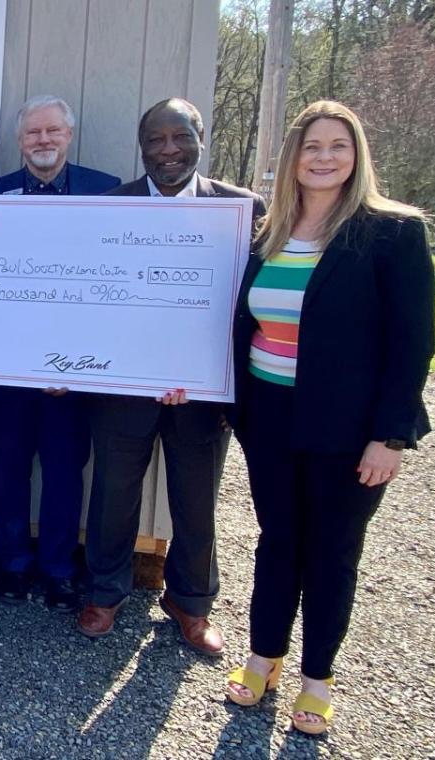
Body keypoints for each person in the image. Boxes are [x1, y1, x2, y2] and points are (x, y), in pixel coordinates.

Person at [225, 101, 435, 735]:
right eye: (311, 145)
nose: (323, 157)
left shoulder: (390, 233)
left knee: (333, 550)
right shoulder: (268, 231)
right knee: (278, 540)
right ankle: (265, 657)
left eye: (337, 145)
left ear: (356, 154)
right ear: (293, 157)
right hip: (269, 415)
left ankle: (317, 679)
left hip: (347, 429)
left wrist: (390, 435)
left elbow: (413, 342)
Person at [77, 98, 263, 654]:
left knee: (196, 498)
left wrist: (222, 378)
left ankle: (191, 601)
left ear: (201, 139)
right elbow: (88, 300)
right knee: (112, 495)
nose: (168, 150)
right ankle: (105, 592)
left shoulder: (243, 210)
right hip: (123, 389)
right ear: (142, 148)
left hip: (202, 393)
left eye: (179, 137)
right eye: (155, 140)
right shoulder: (109, 208)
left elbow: (251, 307)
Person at [0, 96, 120, 608]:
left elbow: (114, 288)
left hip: (73, 373)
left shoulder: (108, 193)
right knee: (9, 470)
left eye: (52, 131)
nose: (43, 140)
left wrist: (82, 364)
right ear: (20, 142)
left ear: (69, 135)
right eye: (33, 133)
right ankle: (12, 565)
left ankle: (60, 567)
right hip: (8, 372)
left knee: (63, 473)